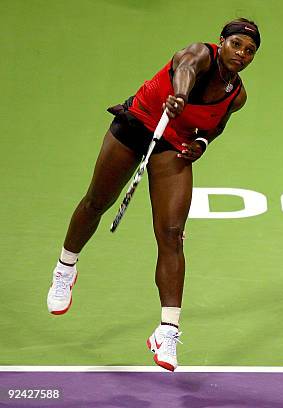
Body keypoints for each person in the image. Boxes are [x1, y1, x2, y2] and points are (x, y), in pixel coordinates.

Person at [46, 18, 261, 372]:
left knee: (172, 234)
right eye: (236, 44)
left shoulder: (237, 96)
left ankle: (167, 330)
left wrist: (202, 142)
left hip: (172, 146)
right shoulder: (198, 54)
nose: (241, 54)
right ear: (221, 42)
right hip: (137, 124)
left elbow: (217, 123)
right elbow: (186, 68)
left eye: (249, 50)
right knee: (96, 202)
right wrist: (178, 96)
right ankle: (65, 267)